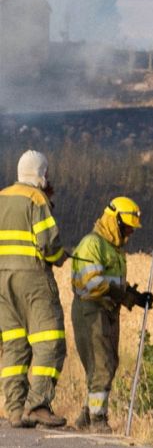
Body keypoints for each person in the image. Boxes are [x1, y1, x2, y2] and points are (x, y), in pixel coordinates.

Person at [69, 197, 153, 433]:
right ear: (114, 221)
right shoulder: (92, 244)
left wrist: (136, 298)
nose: (130, 233)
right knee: (101, 365)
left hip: (108, 311)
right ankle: (98, 419)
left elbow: (115, 285)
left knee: (109, 363)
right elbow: (93, 283)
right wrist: (121, 293)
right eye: (126, 227)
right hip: (91, 311)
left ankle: (87, 415)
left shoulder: (114, 249)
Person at [0, 150, 68, 428]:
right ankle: (38, 404)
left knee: (14, 344)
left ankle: (15, 410)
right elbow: (48, 245)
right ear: (40, 173)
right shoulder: (36, 198)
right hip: (32, 278)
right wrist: (61, 256)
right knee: (50, 339)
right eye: (46, 173)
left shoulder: (2, 197)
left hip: (2, 280)